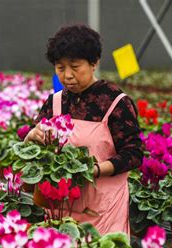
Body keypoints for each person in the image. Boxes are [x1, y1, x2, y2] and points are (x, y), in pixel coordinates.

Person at [24, 24, 143, 236]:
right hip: (60, 204)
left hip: (103, 207)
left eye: (75, 67)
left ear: (94, 63)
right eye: (60, 68)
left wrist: (95, 170)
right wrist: (32, 136)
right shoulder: (56, 102)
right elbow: (35, 149)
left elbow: (133, 154)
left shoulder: (115, 102)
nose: (67, 75)